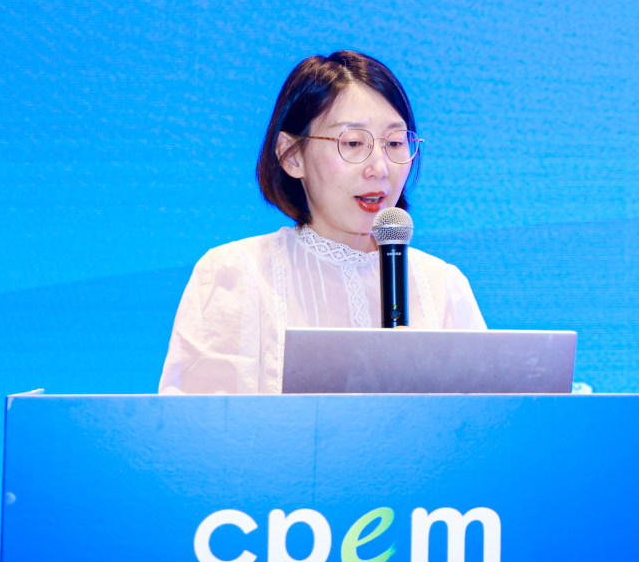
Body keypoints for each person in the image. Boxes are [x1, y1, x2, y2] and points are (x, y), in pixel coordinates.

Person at [159, 51, 486, 394]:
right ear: (291, 155)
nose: (380, 168)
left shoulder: (443, 286)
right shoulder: (235, 274)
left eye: (394, 143)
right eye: (353, 143)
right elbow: (200, 422)